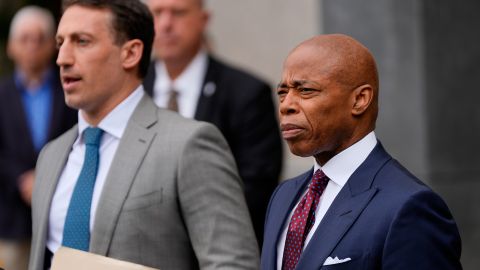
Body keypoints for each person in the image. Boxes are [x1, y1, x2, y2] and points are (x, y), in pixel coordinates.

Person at [28, 1, 259, 270]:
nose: (62, 58)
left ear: (131, 53)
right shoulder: (51, 155)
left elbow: (233, 263)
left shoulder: (188, 145)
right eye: (60, 42)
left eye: (82, 41)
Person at [261, 34, 462, 269]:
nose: (286, 105)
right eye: (282, 92)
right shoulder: (283, 196)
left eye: (305, 90)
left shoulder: (409, 206)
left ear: (360, 99)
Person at [142, 0, 283, 245]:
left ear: (203, 20)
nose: (165, 24)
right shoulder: (129, 90)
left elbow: (257, 185)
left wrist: (179, 231)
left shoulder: (246, 92)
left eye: (177, 13)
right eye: (157, 13)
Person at [0, 6, 77, 270]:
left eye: (40, 38)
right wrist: (22, 180)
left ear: (52, 46)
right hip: (10, 220)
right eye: (25, 39)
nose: (32, 45)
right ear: (11, 46)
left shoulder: (71, 90)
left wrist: (44, 179)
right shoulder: (1, 95)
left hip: (60, 219)